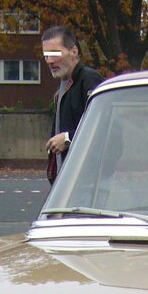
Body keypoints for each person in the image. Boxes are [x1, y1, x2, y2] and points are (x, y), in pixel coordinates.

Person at [42, 26, 104, 184]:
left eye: (55, 54)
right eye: (46, 55)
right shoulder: (64, 86)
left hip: (88, 182)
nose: (49, 61)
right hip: (71, 181)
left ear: (74, 52)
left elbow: (106, 127)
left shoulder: (89, 80)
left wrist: (68, 138)